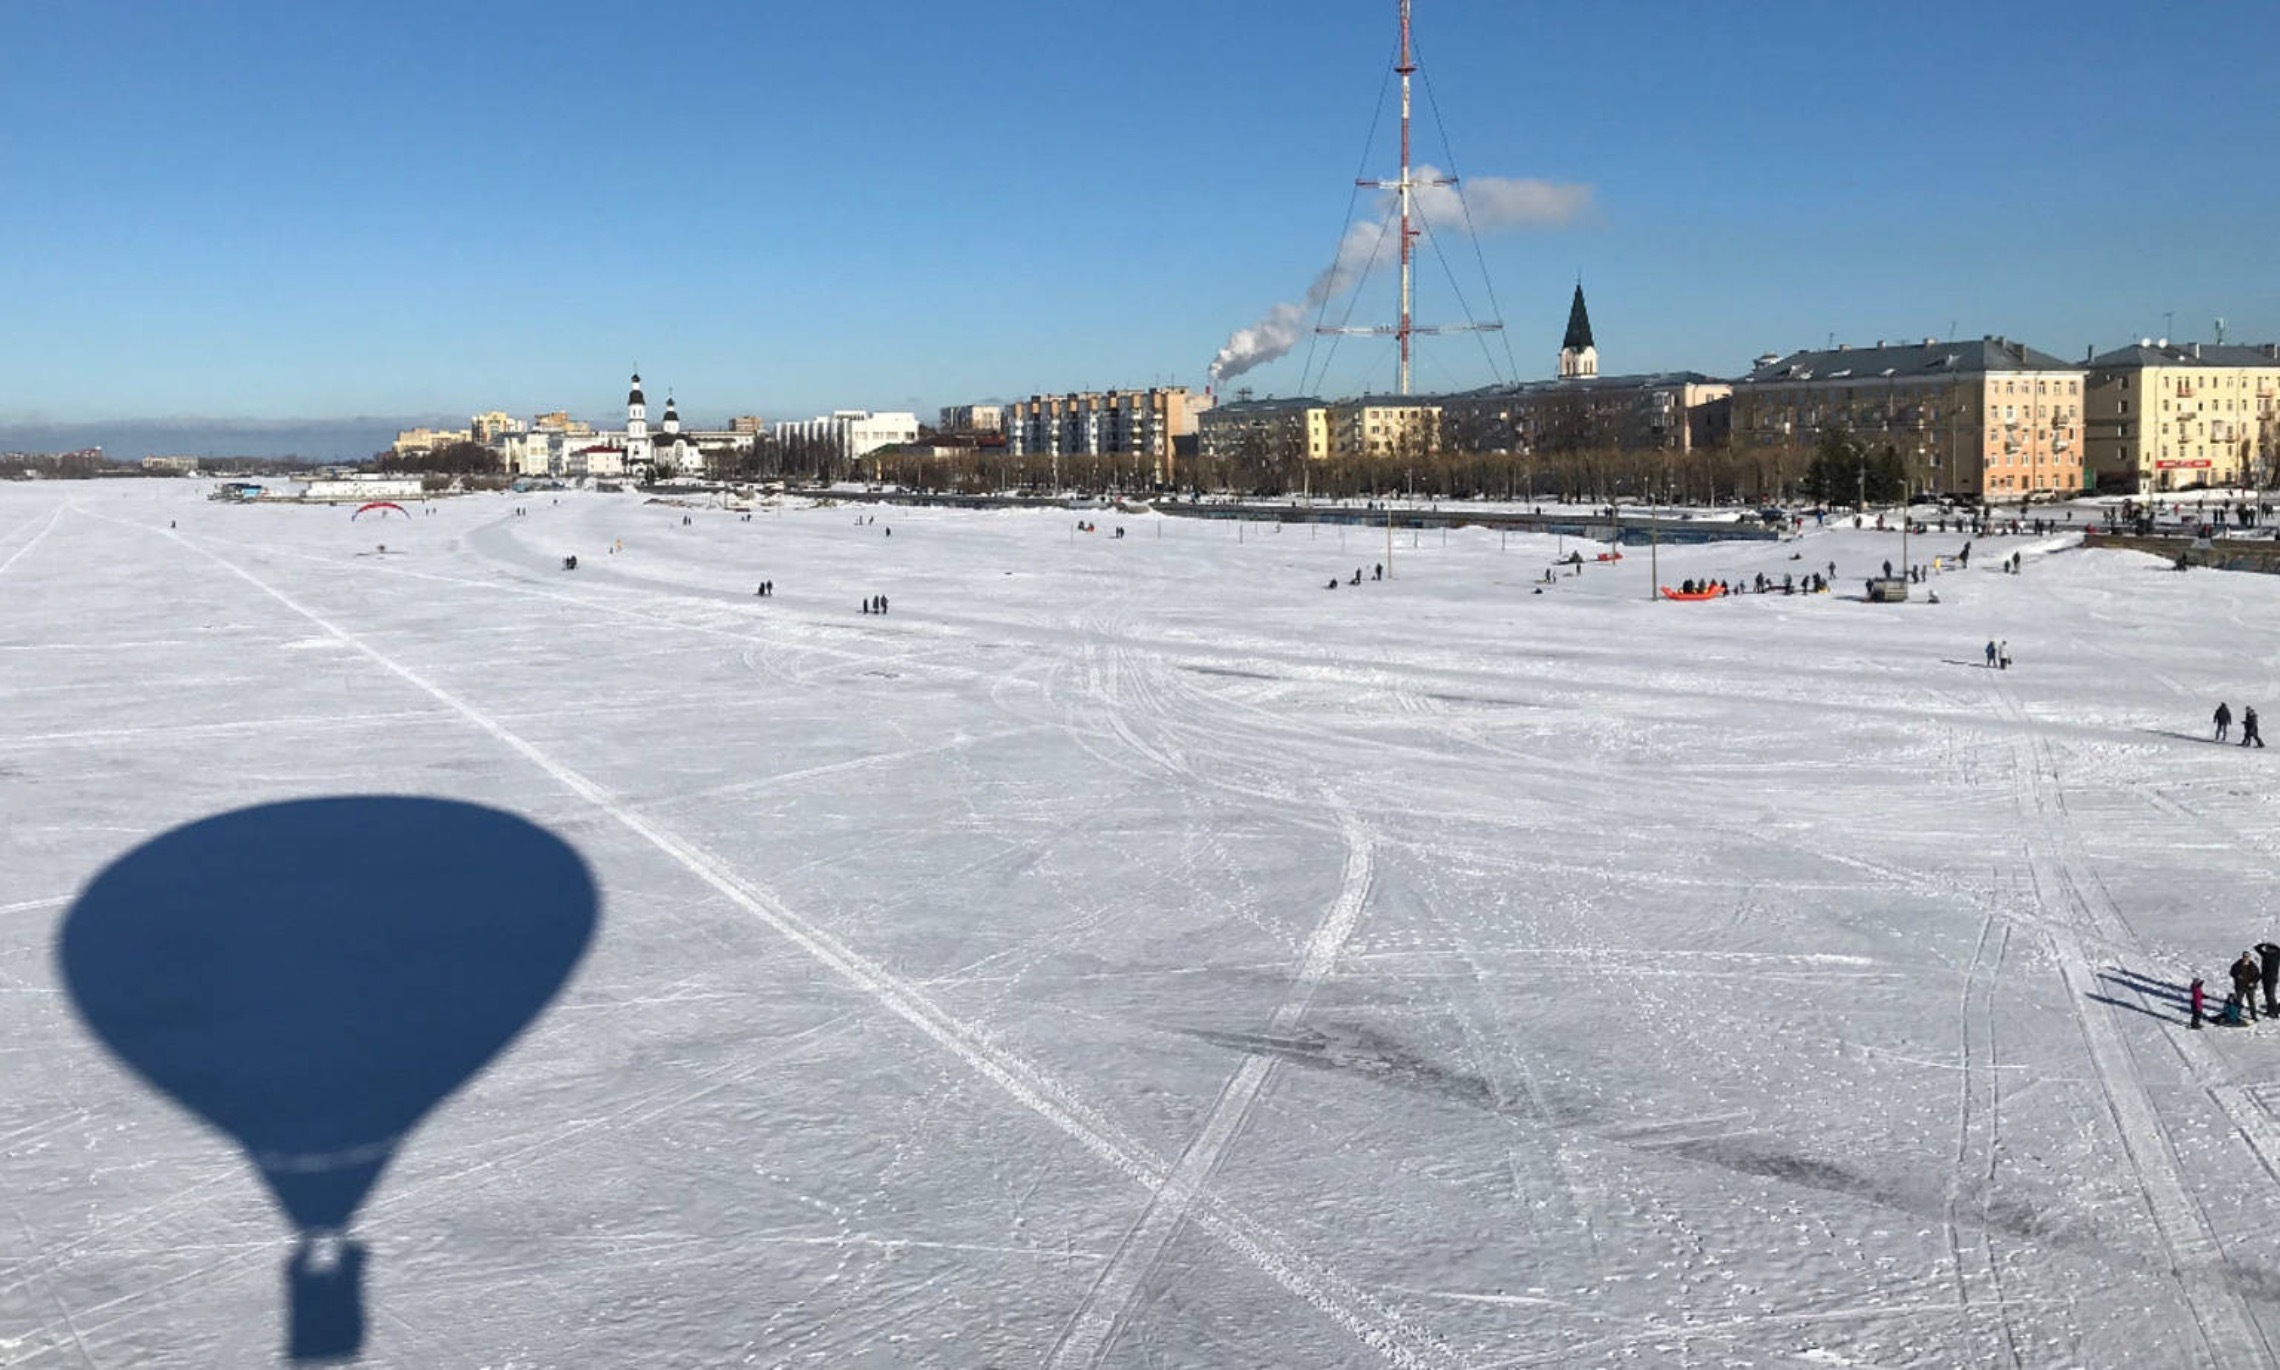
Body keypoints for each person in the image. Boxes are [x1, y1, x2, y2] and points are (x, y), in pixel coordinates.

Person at [2232, 952, 2262, 1021]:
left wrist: (2253, 982)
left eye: (2247, 957)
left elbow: (2258, 976)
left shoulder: (2253, 965)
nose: (2246, 958)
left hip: (2250, 987)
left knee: (2251, 1001)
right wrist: (2237, 975)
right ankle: (2237, 1014)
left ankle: (2253, 1015)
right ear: (2242, 957)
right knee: (2238, 1001)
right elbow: (2232, 972)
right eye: (2245, 957)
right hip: (2240, 987)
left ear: (2249, 957)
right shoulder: (2237, 965)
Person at [2257, 943, 2280, 1016]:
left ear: (2272, 950)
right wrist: (2262, 944)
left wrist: (2274, 947)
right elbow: (2257, 948)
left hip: (2272, 979)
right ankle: (2269, 1011)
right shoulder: (2266, 955)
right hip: (2265, 978)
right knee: (2267, 995)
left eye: (2268, 949)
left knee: (2271, 996)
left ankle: (2275, 1012)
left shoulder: (2276, 956)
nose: (2266, 950)